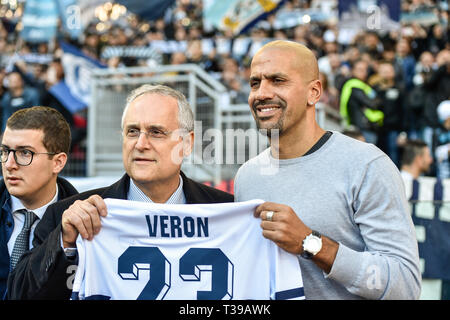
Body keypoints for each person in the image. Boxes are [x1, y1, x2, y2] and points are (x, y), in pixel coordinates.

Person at [7, 84, 233, 300]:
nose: (141, 143)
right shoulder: (64, 215)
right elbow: (21, 293)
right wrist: (63, 242)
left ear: (186, 143)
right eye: (133, 131)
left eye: (156, 132)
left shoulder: (228, 213)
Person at [234, 40, 421, 299]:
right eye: (255, 83)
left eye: (277, 80)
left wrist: (311, 243)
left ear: (314, 92)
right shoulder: (247, 176)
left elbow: (404, 285)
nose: (261, 93)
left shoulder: (366, 165)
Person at [0, 106, 78, 298]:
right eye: (4, 151)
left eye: (25, 153)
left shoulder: (86, 225)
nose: (10, 164)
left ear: (58, 162)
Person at [339, 59, 384, 144]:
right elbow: (372, 104)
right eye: (360, 69)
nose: (363, 72)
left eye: (365, 70)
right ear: (353, 71)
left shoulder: (363, 85)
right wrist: (378, 101)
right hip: (362, 127)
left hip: (365, 127)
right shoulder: (354, 85)